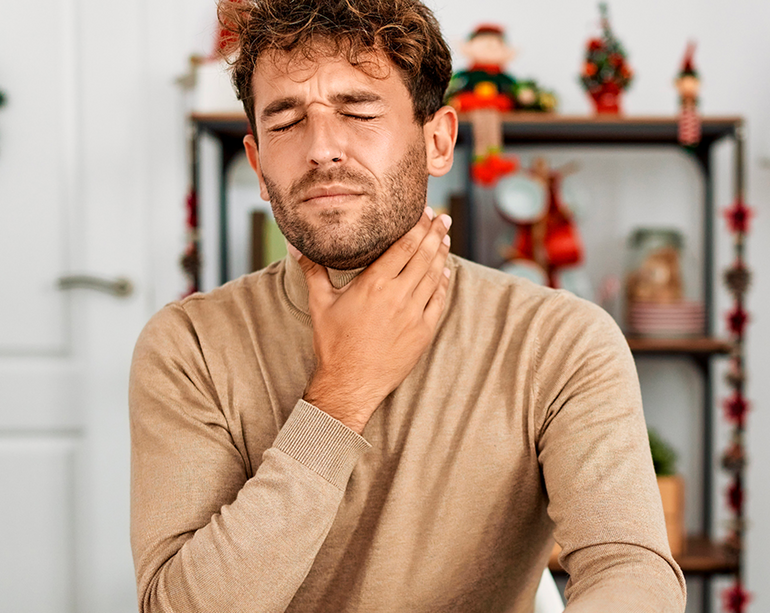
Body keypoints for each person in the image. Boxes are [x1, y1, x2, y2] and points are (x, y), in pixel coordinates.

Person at [129, 0, 687, 611]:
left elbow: (631, 570)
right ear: (259, 165)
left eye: (359, 111)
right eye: (286, 121)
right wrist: (340, 395)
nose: (322, 149)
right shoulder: (190, 346)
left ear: (438, 141)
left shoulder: (561, 339)